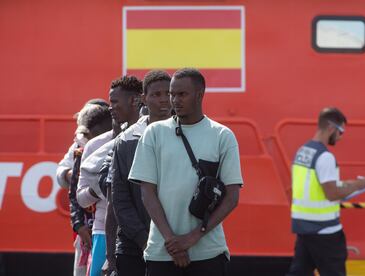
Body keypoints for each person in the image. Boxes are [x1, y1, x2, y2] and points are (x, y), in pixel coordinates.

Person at [128, 68, 243, 276]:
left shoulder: (222, 136)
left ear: (200, 95)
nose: (174, 100)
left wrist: (193, 237)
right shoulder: (154, 133)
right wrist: (172, 240)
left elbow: (232, 197)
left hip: (208, 252)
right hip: (162, 251)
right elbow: (147, 192)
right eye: (172, 94)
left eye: (182, 94)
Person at [287, 107, 365, 276]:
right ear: (331, 128)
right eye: (341, 132)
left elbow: (313, 185)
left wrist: (347, 184)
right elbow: (331, 193)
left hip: (304, 227)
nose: (340, 137)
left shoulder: (302, 151)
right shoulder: (325, 157)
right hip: (325, 231)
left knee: (299, 272)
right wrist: (359, 185)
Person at [77, 75, 142, 276]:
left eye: (114, 102)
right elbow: (81, 197)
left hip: (145, 232)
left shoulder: (152, 137)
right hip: (103, 232)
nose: (110, 107)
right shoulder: (95, 146)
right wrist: (101, 187)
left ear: (135, 101)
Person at [111, 70, 172, 276]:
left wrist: (175, 239)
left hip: (177, 247)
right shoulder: (126, 141)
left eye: (168, 93)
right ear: (143, 99)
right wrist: (144, 239)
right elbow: (120, 199)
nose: (164, 100)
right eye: (156, 94)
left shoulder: (189, 136)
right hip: (133, 246)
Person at [56, 99, 110, 276]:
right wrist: (76, 175)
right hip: (85, 222)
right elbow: (63, 175)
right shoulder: (77, 146)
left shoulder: (112, 140)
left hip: (105, 222)